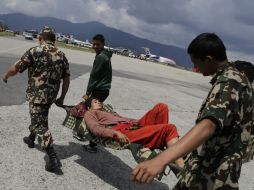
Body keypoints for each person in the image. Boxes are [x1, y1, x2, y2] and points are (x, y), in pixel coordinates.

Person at [131, 33, 254, 189]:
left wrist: (160, 160)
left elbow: (208, 125)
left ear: (209, 59)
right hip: (209, 166)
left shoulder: (229, 82)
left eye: (196, 63)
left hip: (215, 173)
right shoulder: (235, 78)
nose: (195, 68)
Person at [2, 26, 70, 173]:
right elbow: (66, 79)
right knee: (40, 116)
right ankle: (31, 138)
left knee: (40, 124)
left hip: (37, 95)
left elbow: (17, 67)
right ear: (54, 40)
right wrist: (62, 97)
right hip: (50, 97)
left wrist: (6, 76)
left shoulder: (35, 50)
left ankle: (52, 158)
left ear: (41, 38)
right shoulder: (62, 55)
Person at [84, 98, 185, 168]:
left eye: (98, 101)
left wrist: (139, 122)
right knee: (170, 128)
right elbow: (95, 129)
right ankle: (181, 167)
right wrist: (115, 133)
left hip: (134, 125)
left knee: (162, 107)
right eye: (95, 101)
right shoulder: (91, 113)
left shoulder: (108, 112)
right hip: (125, 132)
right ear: (89, 107)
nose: (99, 102)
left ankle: (162, 141)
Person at [82, 34, 113, 152]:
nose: (94, 46)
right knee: (93, 112)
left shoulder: (100, 57)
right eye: (93, 43)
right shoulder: (104, 55)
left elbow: (94, 76)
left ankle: (92, 144)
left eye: (97, 44)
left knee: (92, 114)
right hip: (104, 89)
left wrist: (88, 92)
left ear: (103, 44)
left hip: (99, 90)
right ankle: (90, 139)